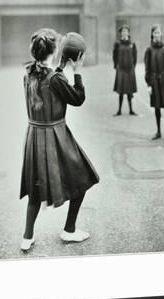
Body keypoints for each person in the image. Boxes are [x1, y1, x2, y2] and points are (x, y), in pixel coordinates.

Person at [20, 28, 100, 252]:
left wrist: (62, 69)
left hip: (34, 136)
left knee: (35, 189)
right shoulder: (56, 78)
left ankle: (27, 236)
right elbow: (77, 98)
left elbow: (49, 86)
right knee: (83, 179)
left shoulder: (28, 73)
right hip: (55, 136)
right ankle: (69, 229)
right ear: (55, 52)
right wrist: (77, 71)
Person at [144, 24, 164, 139]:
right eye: (155, 33)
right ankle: (158, 131)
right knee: (157, 106)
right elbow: (147, 69)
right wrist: (149, 85)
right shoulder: (149, 50)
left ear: (161, 34)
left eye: (159, 32)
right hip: (155, 82)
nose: (157, 35)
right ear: (152, 35)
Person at [112, 25, 138, 116]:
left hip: (130, 70)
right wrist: (116, 66)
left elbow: (135, 56)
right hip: (121, 70)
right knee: (121, 90)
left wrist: (132, 66)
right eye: (122, 31)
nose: (124, 33)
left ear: (128, 33)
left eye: (126, 31)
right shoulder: (117, 44)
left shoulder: (132, 44)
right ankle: (119, 110)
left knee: (130, 91)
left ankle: (131, 110)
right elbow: (114, 56)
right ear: (120, 33)